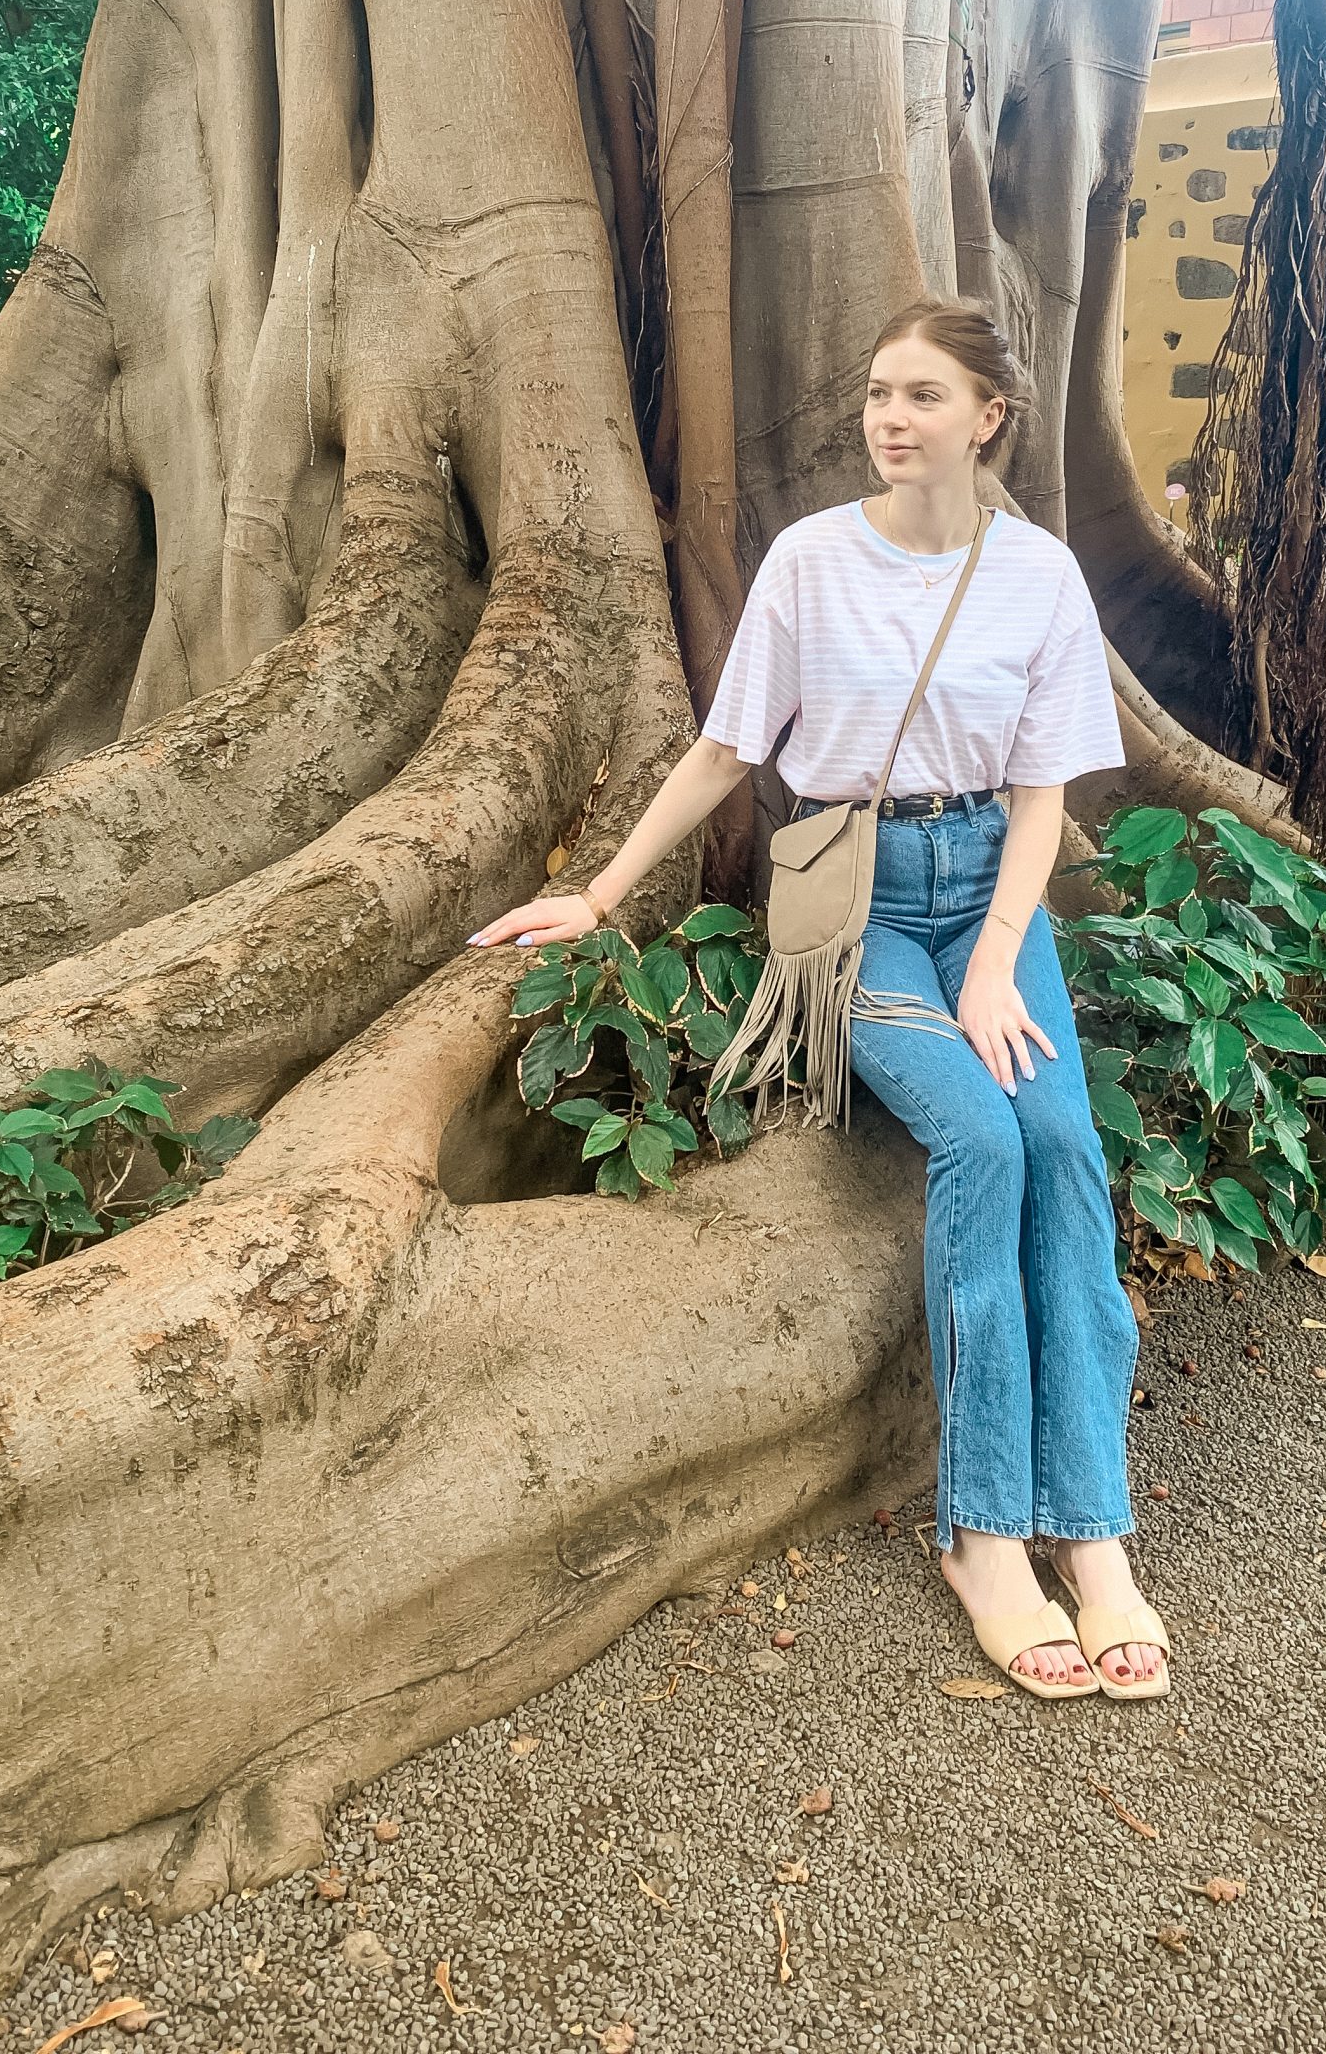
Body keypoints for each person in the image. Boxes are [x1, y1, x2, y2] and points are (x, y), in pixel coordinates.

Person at [470, 298, 1168, 1701]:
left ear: (990, 418)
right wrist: (599, 896)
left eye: (920, 395)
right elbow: (728, 751)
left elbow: (1044, 798)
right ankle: (982, 1535)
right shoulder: (809, 563)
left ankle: (1094, 1540)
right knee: (979, 1137)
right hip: (851, 909)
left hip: (992, 899)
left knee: (1063, 1151)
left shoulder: (1036, 576)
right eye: (875, 394)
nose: (888, 419)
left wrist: (993, 959)